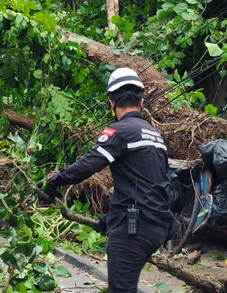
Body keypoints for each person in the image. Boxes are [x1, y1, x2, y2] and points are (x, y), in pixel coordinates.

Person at [45, 67, 176, 293]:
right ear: (142, 102)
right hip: (157, 226)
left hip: (134, 229)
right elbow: (150, 184)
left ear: (111, 102)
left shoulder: (121, 131)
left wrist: (57, 179)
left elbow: (89, 164)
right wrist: (113, 218)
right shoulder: (155, 135)